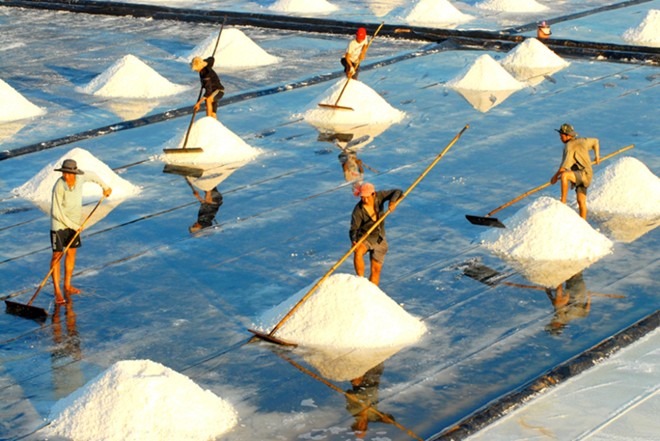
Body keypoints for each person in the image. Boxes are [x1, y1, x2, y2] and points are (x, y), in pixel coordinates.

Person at [50, 159, 112, 305]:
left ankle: (67, 285)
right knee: (57, 256)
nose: (67, 177)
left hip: (74, 225)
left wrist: (105, 187)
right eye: (65, 173)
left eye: (69, 174)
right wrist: (72, 225)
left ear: (75, 173)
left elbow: (94, 176)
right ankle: (57, 290)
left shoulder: (81, 177)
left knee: (71, 253)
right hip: (59, 224)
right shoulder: (59, 186)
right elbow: (56, 212)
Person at [349, 182, 402, 286]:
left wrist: (392, 202)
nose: (365, 200)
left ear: (373, 194)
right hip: (365, 238)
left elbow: (397, 191)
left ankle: (372, 292)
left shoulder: (379, 196)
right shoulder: (358, 210)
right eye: (362, 197)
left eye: (367, 197)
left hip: (379, 239)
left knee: (376, 270)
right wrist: (354, 240)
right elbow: (353, 229)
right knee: (358, 251)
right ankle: (360, 280)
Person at [550, 123, 600, 220]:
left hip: (582, 174)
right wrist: (597, 156)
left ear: (568, 135)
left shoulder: (569, 146)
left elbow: (564, 167)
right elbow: (595, 141)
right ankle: (583, 223)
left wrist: (555, 177)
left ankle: (563, 202)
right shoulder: (582, 141)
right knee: (581, 201)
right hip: (586, 175)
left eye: (561, 136)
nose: (560, 138)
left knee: (564, 176)